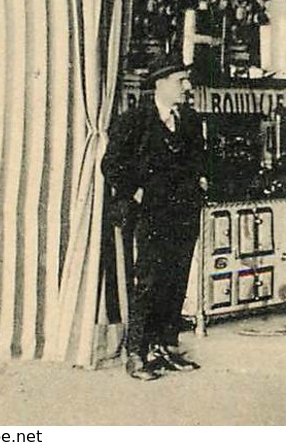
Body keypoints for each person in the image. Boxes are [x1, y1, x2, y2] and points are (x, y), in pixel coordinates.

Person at [104, 58, 208, 380]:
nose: (187, 87)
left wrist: (201, 180)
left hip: (184, 211)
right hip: (151, 214)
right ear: (161, 84)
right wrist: (136, 191)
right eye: (181, 81)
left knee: (177, 279)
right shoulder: (134, 120)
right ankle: (136, 353)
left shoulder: (189, 120)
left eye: (187, 80)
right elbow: (111, 165)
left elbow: (199, 159)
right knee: (149, 281)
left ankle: (165, 346)